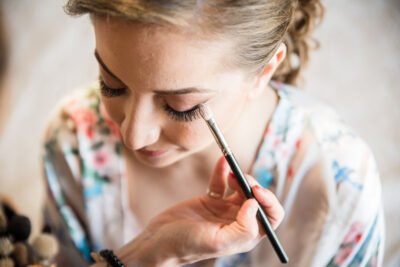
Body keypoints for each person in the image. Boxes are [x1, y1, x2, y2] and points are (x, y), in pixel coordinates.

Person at [42, 0, 384, 266]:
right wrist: (145, 256)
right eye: (112, 84)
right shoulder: (75, 142)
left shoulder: (339, 184)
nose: (133, 135)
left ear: (263, 72)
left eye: (181, 106)